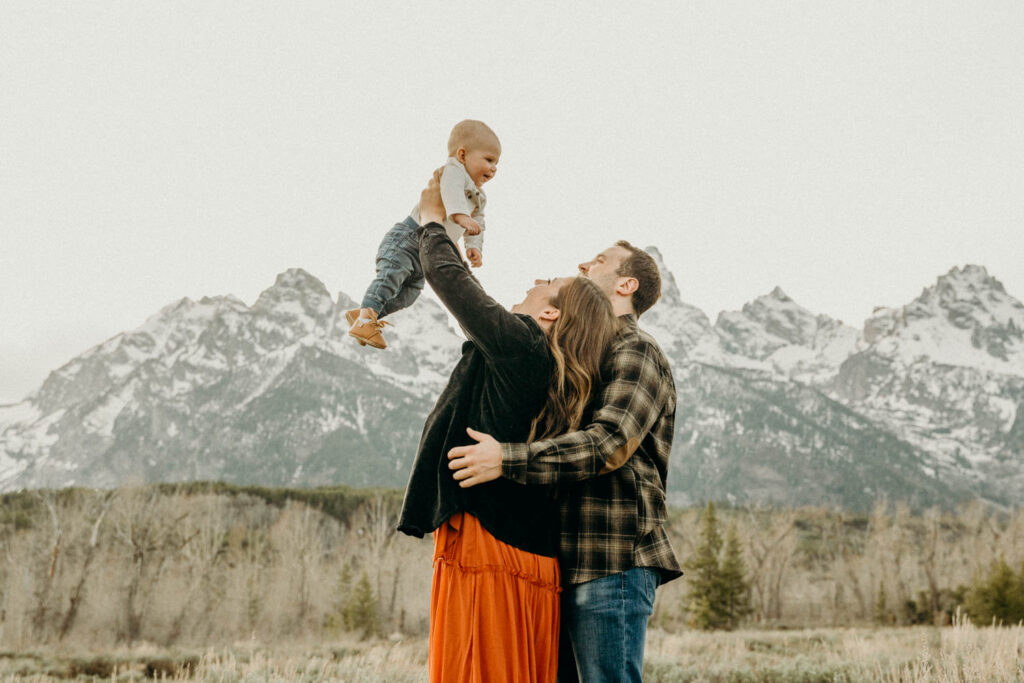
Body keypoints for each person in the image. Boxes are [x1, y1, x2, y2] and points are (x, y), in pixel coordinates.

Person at [398, 171, 619, 682]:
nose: (535, 280)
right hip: (533, 561)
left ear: (549, 313)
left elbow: (455, 285)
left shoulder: (525, 345)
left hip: (490, 549)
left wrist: (433, 219)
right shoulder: (557, 375)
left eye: (548, 282)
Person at [448, 242, 682, 683]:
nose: (581, 265)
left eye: (597, 262)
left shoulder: (636, 350)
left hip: (611, 564)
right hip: (563, 566)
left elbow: (609, 442)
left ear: (625, 285)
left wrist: (507, 459)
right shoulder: (580, 354)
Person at [347, 120, 500, 349]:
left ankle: (366, 313)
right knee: (391, 277)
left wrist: (474, 246)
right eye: (489, 160)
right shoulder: (452, 171)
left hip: (427, 253)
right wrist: (459, 216)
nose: (494, 168)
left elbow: (478, 221)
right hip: (409, 238)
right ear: (462, 154)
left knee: (409, 295)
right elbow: (451, 194)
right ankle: (366, 320)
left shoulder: (479, 196)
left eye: (497, 163)